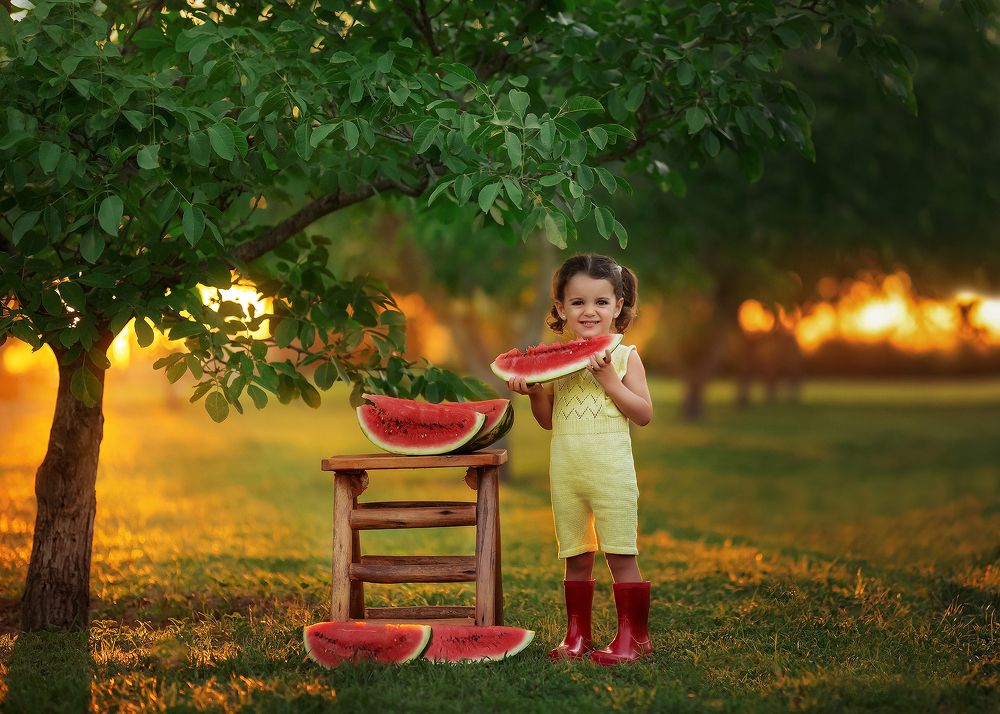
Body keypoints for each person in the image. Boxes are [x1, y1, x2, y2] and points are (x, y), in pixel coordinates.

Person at [506, 253, 653, 665]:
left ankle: (635, 638)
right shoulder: (557, 363)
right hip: (567, 473)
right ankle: (578, 635)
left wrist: (609, 380)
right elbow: (549, 421)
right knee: (575, 558)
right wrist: (536, 390)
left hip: (612, 474)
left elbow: (643, 413)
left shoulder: (625, 356)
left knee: (621, 556)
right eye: (577, 303)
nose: (589, 311)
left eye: (601, 302)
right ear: (560, 308)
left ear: (618, 306)